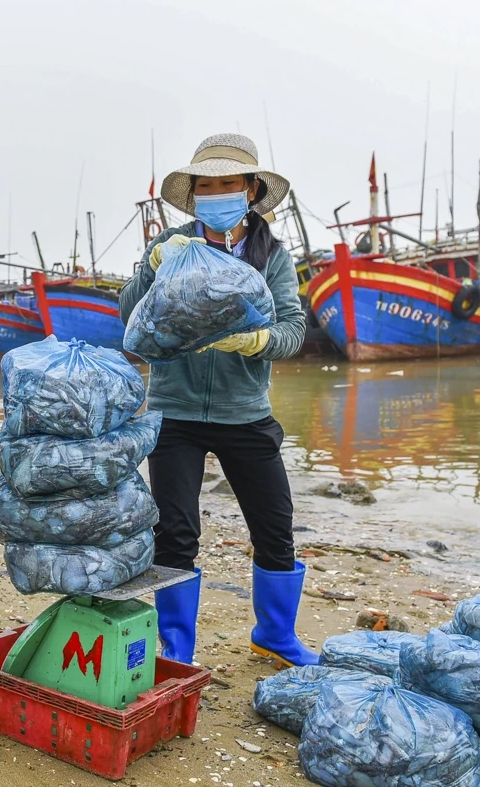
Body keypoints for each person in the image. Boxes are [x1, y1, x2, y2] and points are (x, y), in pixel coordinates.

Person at [118, 133, 318, 669]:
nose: (217, 194)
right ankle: (174, 650)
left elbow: (294, 330)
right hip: (175, 411)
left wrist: (257, 341)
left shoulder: (272, 256)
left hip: (245, 414)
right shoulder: (173, 247)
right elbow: (131, 318)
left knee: (275, 527)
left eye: (228, 184)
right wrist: (149, 268)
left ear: (251, 190)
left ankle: (275, 635)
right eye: (206, 186)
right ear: (193, 194)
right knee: (175, 532)